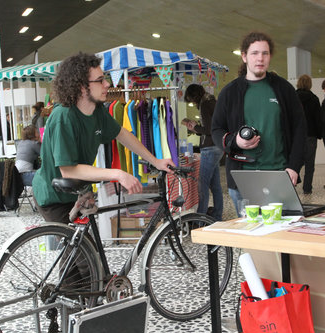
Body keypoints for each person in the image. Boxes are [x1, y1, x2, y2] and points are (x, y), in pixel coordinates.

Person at [32, 52, 174, 224]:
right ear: (82, 87)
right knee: (79, 248)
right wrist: (118, 174)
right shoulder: (64, 116)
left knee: (89, 248)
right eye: (100, 80)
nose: (107, 84)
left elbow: (122, 134)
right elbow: (68, 170)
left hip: (77, 191)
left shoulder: (97, 110)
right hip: (54, 197)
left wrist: (155, 161)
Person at [212, 31, 306, 215]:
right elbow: (216, 129)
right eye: (254, 53)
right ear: (244, 56)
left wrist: (294, 166)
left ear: (270, 57)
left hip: (279, 175)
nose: (260, 58)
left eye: (265, 53)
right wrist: (235, 141)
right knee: (250, 238)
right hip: (242, 179)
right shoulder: (230, 92)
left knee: (281, 236)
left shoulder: (283, 89)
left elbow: (300, 130)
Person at [182, 84, 223, 221]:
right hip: (218, 146)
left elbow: (209, 129)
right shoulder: (212, 101)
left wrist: (195, 127)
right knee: (215, 185)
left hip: (210, 148)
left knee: (203, 185)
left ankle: (200, 218)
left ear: (195, 96)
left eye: (192, 100)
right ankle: (216, 216)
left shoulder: (205, 104)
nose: (193, 103)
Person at [296, 74, 322, 195]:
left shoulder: (293, 97)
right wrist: (319, 133)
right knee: (309, 164)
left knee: (295, 162)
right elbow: (318, 118)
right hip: (310, 134)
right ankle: (307, 188)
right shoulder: (314, 99)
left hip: (296, 135)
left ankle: (291, 184)